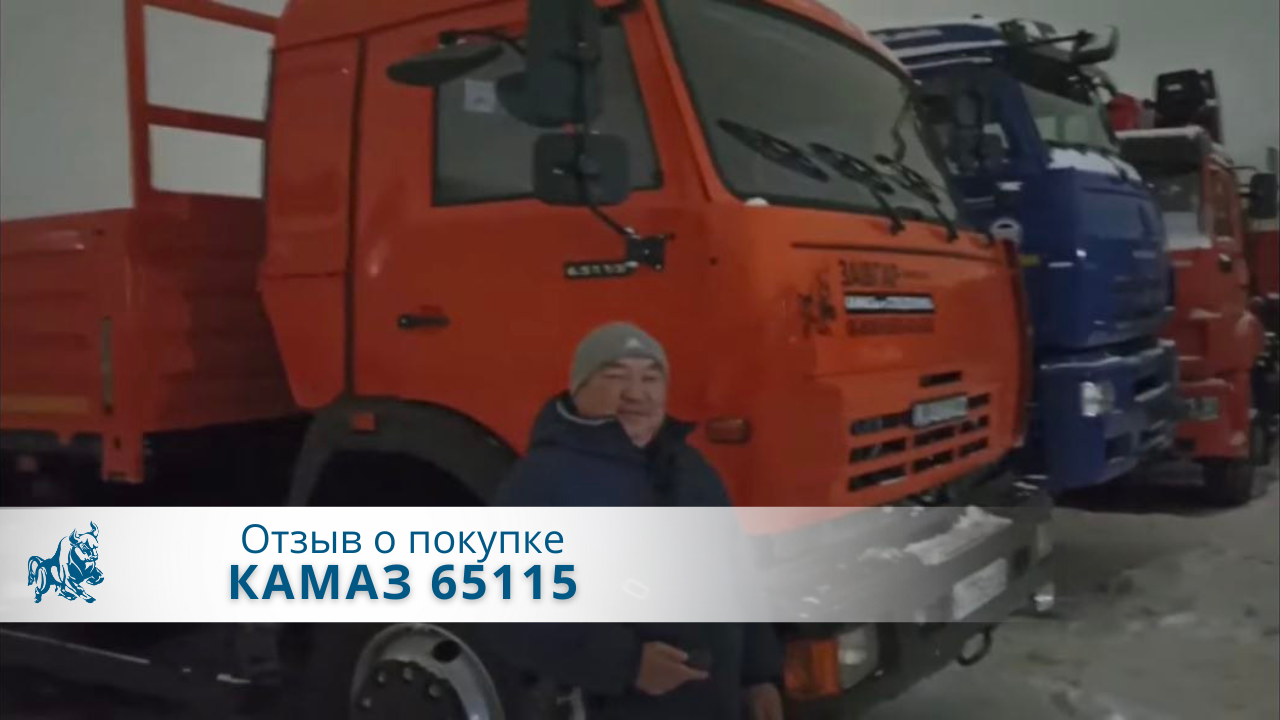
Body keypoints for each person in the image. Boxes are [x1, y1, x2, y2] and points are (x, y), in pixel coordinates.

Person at [493, 321, 785, 720]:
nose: (636, 393)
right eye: (615, 377)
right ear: (579, 390)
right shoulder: (541, 482)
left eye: (650, 378)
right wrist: (627, 663)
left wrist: (758, 676)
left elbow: (735, 572)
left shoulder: (691, 467)